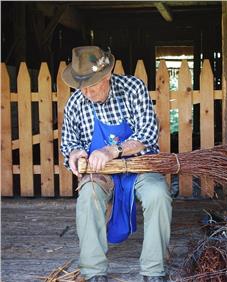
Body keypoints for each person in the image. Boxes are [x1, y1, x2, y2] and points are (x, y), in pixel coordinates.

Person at [60, 46, 172, 282]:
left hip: (140, 165)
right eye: (82, 87)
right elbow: (69, 143)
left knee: (158, 194)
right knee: (88, 196)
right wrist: (76, 154)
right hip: (102, 172)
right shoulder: (76, 103)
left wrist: (112, 150)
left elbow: (148, 134)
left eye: (92, 86)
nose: (86, 93)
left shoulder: (132, 88)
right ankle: (94, 271)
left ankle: (154, 270)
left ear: (107, 76)